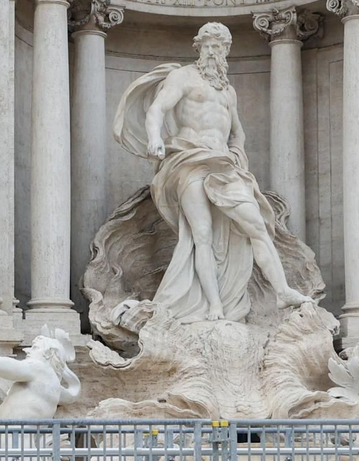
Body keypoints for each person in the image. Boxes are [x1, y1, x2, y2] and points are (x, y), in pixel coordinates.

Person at [113, 22, 312, 323]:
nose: (211, 50)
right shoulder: (182, 77)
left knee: (256, 225)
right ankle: (213, 306)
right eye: (207, 44)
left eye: (218, 46)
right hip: (188, 159)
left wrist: (238, 154)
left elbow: (238, 133)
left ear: (226, 51)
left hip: (223, 165)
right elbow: (157, 109)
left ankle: (282, 291)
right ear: (198, 47)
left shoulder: (228, 92)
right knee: (201, 234)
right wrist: (155, 138)